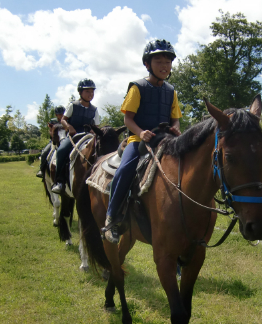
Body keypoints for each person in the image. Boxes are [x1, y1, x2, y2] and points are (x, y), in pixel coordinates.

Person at [102, 39, 182, 243]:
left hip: (165, 139)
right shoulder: (137, 87)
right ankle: (112, 218)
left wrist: (176, 128)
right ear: (147, 64)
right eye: (159, 61)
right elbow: (127, 118)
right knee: (125, 169)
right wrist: (141, 132)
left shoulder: (171, 91)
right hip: (138, 140)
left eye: (168, 62)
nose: (164, 66)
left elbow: (175, 118)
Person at [51, 81, 100, 194]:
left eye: (92, 91)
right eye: (87, 91)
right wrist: (69, 127)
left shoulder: (94, 109)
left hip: (89, 136)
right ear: (80, 92)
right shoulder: (73, 105)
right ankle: (59, 182)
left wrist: (94, 130)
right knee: (61, 151)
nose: (90, 94)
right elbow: (63, 119)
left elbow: (96, 125)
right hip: (74, 136)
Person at [36, 105, 66, 178]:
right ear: (56, 115)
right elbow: (50, 131)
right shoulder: (53, 121)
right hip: (55, 140)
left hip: (65, 139)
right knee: (44, 152)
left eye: (63, 113)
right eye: (60, 114)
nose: (62, 115)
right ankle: (42, 170)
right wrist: (53, 137)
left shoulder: (67, 121)